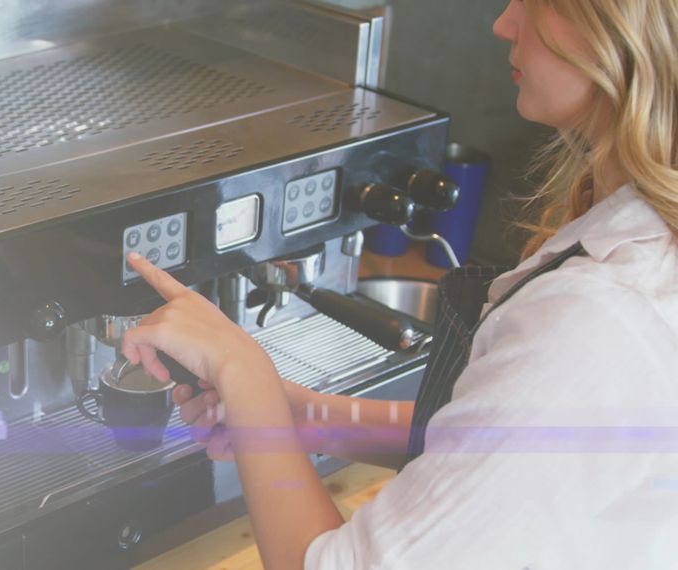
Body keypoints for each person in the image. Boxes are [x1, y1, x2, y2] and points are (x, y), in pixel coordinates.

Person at [121, 0, 678, 567]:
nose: (504, 23)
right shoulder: (644, 250)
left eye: (539, 4)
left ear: (629, 29)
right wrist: (307, 417)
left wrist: (241, 365)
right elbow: (503, 446)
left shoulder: (602, 320)